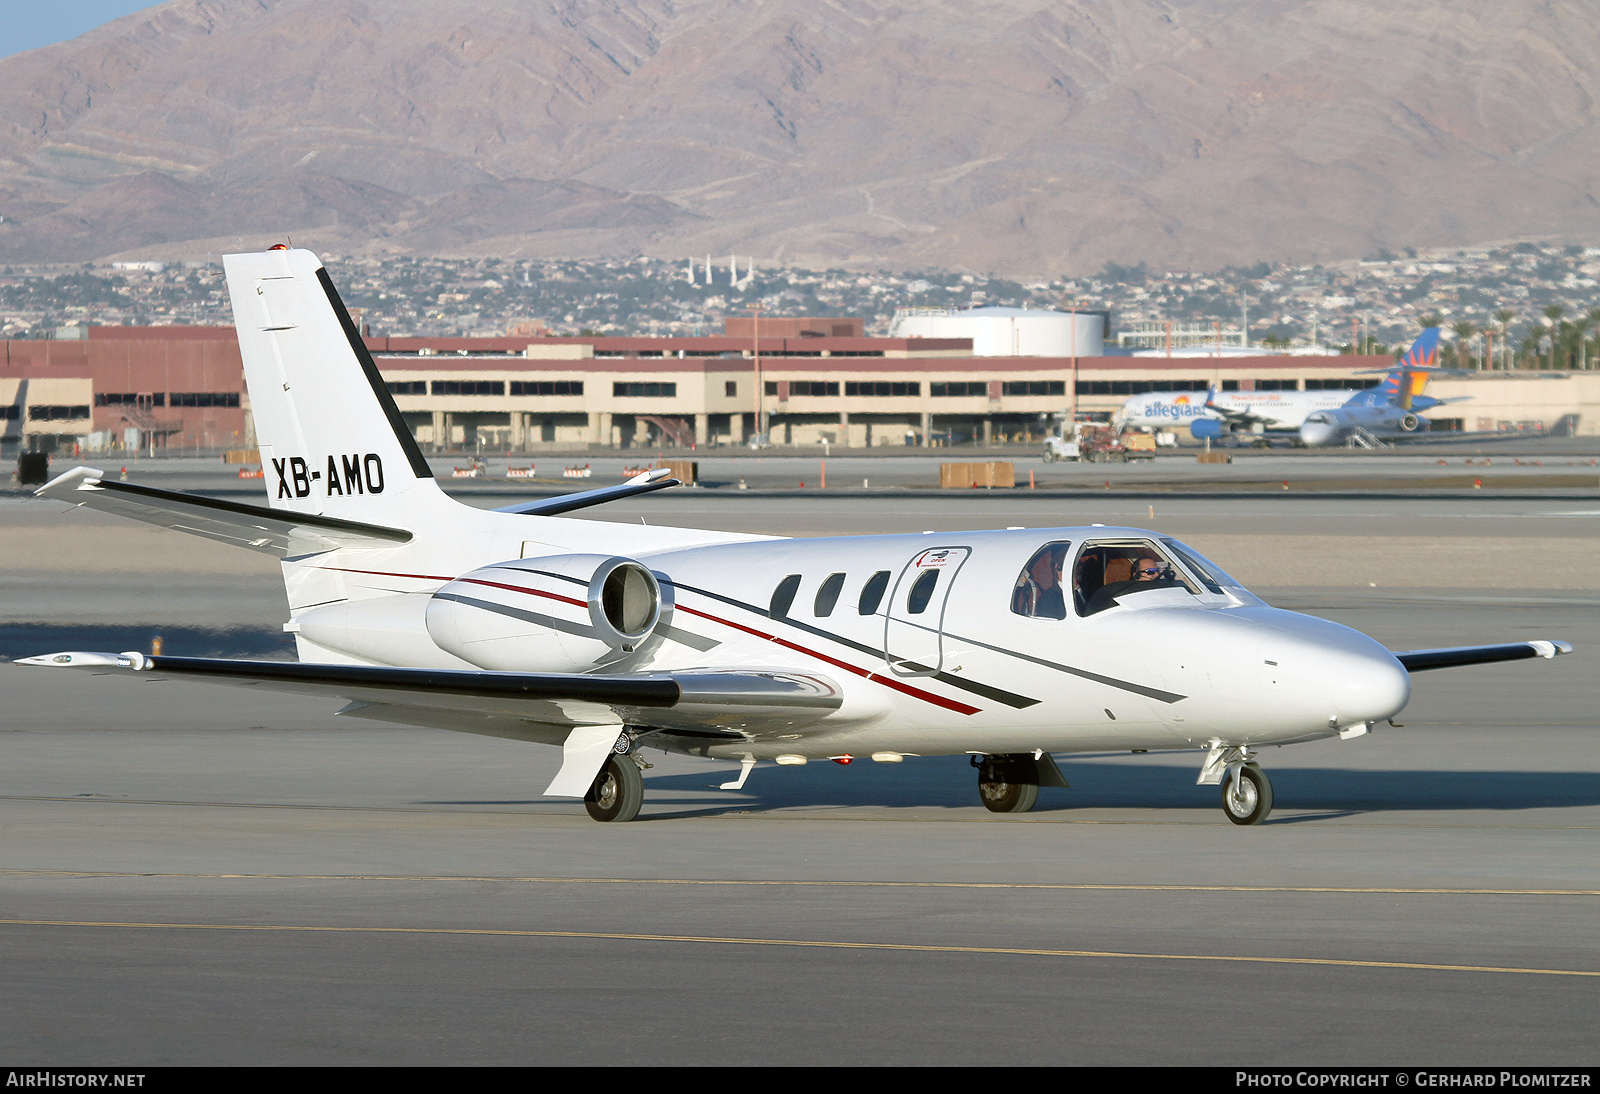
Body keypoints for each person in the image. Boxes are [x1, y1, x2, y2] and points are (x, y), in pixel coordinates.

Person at [1082, 551, 1176, 615]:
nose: (1156, 574)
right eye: (1150, 571)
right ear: (1137, 575)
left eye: (1157, 570)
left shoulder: (1165, 589)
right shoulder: (1124, 593)